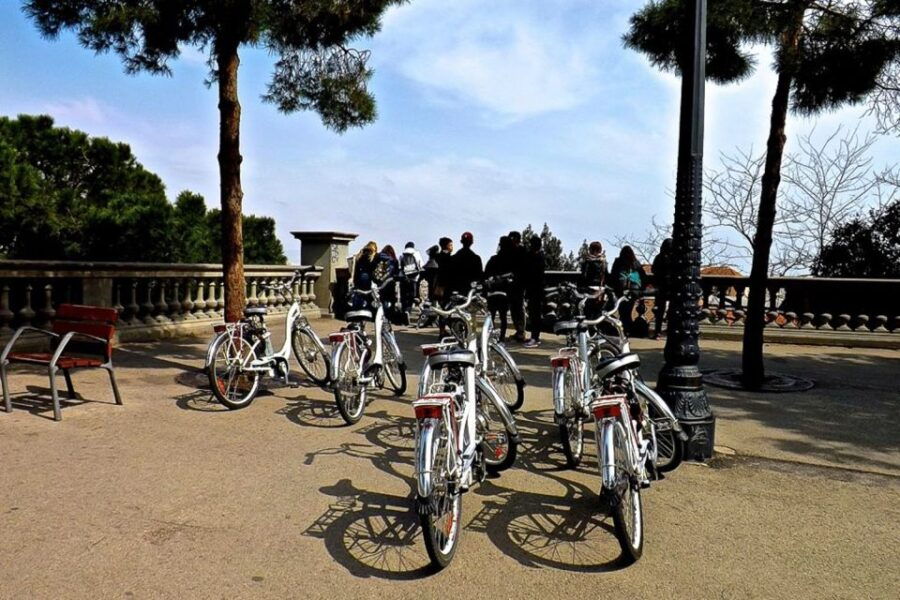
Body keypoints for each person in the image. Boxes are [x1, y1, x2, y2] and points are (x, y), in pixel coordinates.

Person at [610, 245, 645, 335]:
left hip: (621, 290)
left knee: (622, 311)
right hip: (633, 290)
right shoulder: (636, 263)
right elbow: (643, 276)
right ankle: (628, 330)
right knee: (628, 310)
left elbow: (613, 275)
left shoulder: (618, 262)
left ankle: (624, 330)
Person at [485, 236, 514, 342]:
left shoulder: (493, 259)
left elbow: (486, 275)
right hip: (504, 292)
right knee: (503, 316)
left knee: (490, 316)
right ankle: (502, 337)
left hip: (493, 291)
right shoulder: (511, 261)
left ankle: (489, 336)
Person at [522, 235, 546, 348]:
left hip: (535, 290)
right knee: (535, 314)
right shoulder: (540, 257)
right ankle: (535, 336)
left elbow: (531, 273)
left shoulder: (535, 258)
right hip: (536, 290)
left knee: (534, 315)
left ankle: (534, 337)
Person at [651, 238, 673, 339]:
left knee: (659, 311)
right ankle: (670, 330)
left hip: (661, 287)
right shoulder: (675, 257)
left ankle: (657, 332)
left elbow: (653, 270)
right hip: (672, 286)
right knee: (672, 310)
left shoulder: (659, 257)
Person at [507, 230, 527, 342]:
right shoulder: (509, 251)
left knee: (519, 307)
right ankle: (519, 331)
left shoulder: (522, 250)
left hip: (519, 283)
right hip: (511, 283)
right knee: (514, 308)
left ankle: (521, 332)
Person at [433, 237, 454, 337]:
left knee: (443, 309)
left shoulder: (438, 256)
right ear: (446, 246)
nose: (452, 247)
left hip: (439, 286)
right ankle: (445, 331)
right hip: (446, 287)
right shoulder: (448, 258)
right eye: (451, 245)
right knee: (447, 309)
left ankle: (442, 331)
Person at [399, 241, 423, 315]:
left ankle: (404, 312)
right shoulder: (416, 253)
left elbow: (399, 267)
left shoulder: (401, 255)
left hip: (404, 279)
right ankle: (408, 311)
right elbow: (421, 264)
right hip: (414, 278)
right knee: (411, 296)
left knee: (403, 297)